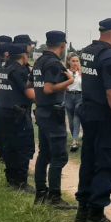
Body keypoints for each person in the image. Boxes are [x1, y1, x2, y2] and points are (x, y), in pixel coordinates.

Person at [75, 18, 111, 222]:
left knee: (89, 160)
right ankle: (96, 214)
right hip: (105, 117)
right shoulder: (109, 56)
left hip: (89, 113)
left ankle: (83, 208)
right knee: (107, 163)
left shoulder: (88, 51)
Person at [33, 31, 77, 208]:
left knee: (44, 154)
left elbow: (32, 86)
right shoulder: (53, 63)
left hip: (42, 112)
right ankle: (55, 197)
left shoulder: (39, 61)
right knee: (59, 157)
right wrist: (70, 81)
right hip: (52, 113)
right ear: (63, 45)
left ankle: (40, 194)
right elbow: (49, 89)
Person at [0, 43, 36, 191]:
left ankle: (11, 179)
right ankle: (21, 182)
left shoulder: (2, 68)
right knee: (23, 148)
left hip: (4, 112)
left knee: (9, 147)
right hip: (18, 115)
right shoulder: (18, 71)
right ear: (24, 55)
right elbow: (28, 92)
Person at [64, 54, 83, 151]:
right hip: (68, 96)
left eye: (77, 61)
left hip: (79, 96)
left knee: (77, 117)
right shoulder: (66, 72)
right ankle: (74, 138)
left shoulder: (82, 73)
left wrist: (80, 73)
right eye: (73, 61)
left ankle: (74, 141)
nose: (75, 63)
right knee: (71, 121)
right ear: (68, 62)